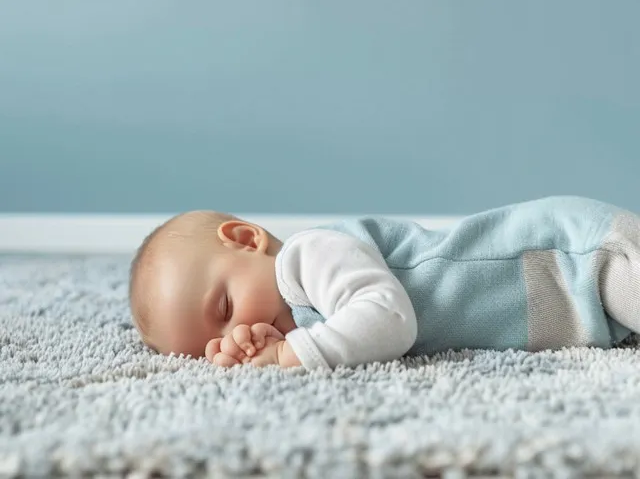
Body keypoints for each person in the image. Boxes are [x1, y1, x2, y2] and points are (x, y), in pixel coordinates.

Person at [128, 196, 640, 370]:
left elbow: (389, 321)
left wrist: (289, 356)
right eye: (215, 345)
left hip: (577, 259)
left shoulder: (309, 257)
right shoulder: (310, 317)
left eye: (225, 306)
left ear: (246, 239)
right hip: (575, 307)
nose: (241, 328)